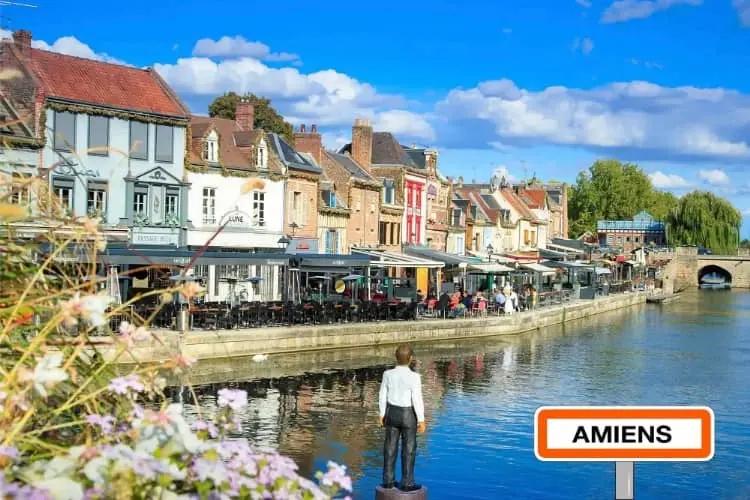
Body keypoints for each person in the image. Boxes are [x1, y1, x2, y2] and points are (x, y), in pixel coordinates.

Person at [379, 344, 426, 492]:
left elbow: (382, 395)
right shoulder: (414, 377)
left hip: (391, 413)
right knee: (409, 449)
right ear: (411, 359)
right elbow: (417, 399)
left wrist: (381, 414)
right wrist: (421, 419)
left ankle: (388, 481)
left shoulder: (387, 374)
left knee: (390, 447)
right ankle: (407, 483)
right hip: (408, 415)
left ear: (396, 357)